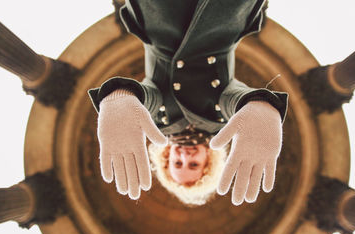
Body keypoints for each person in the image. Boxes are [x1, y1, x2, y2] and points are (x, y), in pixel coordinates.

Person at [88, 0, 288, 206]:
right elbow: (231, 96)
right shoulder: (224, 125)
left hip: (160, 18)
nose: (185, 155)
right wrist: (258, 104)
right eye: (193, 164)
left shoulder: (156, 124)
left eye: (177, 163)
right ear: (208, 162)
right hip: (222, 21)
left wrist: (121, 97)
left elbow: (150, 95)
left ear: (166, 158)